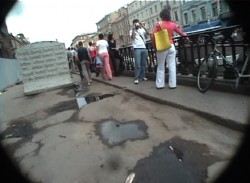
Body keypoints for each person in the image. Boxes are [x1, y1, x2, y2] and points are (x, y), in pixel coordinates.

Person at [151, 6, 188, 89]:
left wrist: (154, 47)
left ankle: (160, 85)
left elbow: (152, 36)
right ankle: (172, 84)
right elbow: (181, 32)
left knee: (161, 67)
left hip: (162, 47)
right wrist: (186, 37)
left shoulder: (158, 24)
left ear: (162, 16)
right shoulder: (173, 24)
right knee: (172, 66)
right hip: (171, 46)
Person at [129, 19, 150, 84]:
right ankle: (136, 78)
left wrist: (143, 26)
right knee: (138, 64)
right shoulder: (131, 31)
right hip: (137, 48)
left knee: (143, 64)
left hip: (143, 47)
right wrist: (133, 29)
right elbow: (132, 37)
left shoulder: (142, 29)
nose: (137, 24)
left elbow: (148, 33)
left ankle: (143, 76)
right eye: (135, 23)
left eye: (137, 23)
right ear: (133, 24)